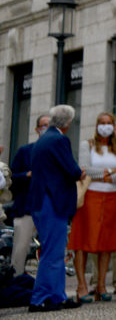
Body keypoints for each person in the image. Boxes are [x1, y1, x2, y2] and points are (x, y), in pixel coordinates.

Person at [25, 105, 85, 312]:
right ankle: (39, 298)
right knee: (52, 252)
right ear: (68, 123)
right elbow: (73, 170)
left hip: (41, 201)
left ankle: (57, 296)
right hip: (52, 202)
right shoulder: (60, 140)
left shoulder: (42, 140)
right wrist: (81, 173)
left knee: (55, 252)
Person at [69, 112, 116, 302]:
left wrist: (108, 175)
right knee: (83, 242)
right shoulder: (87, 145)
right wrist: (109, 173)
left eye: (109, 123)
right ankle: (82, 286)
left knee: (107, 243)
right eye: (102, 123)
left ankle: (101, 285)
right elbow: (84, 169)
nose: (105, 126)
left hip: (112, 198)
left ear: (113, 125)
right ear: (97, 126)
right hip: (90, 197)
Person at [9, 115, 50, 276]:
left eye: (50, 125)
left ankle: (45, 287)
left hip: (49, 209)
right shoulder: (25, 151)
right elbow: (10, 178)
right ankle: (15, 282)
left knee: (49, 250)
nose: (47, 129)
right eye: (44, 125)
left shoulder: (57, 152)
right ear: (37, 129)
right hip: (26, 208)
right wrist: (27, 175)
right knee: (20, 249)